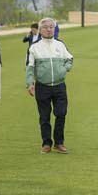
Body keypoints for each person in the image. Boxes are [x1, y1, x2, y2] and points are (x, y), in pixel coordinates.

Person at [26, 18, 74, 154]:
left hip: (59, 86)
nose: (49, 29)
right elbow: (29, 67)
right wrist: (30, 83)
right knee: (44, 116)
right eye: (46, 27)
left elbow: (70, 58)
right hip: (42, 87)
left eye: (51, 27)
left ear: (55, 29)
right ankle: (46, 143)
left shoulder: (60, 45)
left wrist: (65, 69)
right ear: (41, 30)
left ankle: (59, 143)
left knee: (61, 113)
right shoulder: (34, 47)